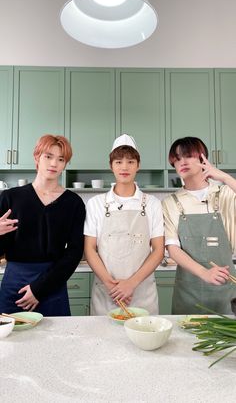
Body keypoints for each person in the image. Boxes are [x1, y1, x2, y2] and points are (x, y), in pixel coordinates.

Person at [0, 134, 85, 316]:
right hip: (15, 282)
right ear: (36, 157)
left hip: (53, 281)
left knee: (57, 342)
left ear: (65, 164)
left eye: (60, 159)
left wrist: (40, 289)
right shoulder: (10, 198)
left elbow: (75, 252)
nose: (54, 164)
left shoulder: (73, 203)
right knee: (11, 342)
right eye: (48, 156)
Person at [84, 134, 164, 315]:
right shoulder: (96, 203)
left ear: (138, 165)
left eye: (130, 161)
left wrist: (131, 284)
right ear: (111, 165)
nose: (124, 167)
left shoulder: (152, 203)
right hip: (107, 292)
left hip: (142, 292)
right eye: (118, 162)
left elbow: (158, 250)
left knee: (145, 339)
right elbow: (89, 249)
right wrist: (111, 285)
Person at [162, 136, 236, 314]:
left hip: (225, 289)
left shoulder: (225, 193)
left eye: (188, 155)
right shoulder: (170, 202)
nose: (182, 162)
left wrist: (224, 177)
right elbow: (173, 248)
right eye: (177, 158)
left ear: (203, 158)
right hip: (188, 291)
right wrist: (205, 273)